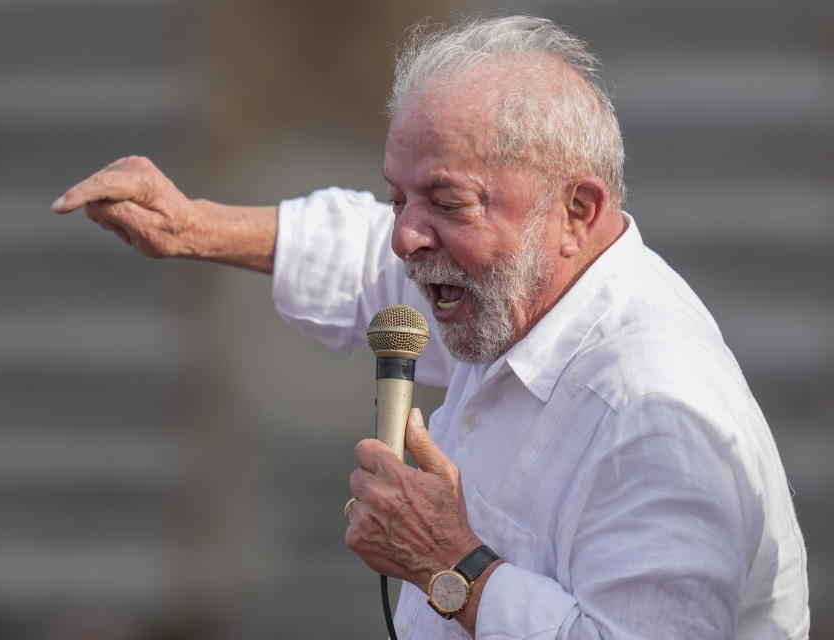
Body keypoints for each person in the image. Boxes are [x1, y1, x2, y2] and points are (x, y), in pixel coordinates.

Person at [51, 15, 809, 639]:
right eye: (396, 200)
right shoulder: (512, 289)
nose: (406, 238)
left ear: (576, 212)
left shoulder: (653, 411)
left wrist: (455, 567)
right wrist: (193, 226)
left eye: (447, 203)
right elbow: (355, 255)